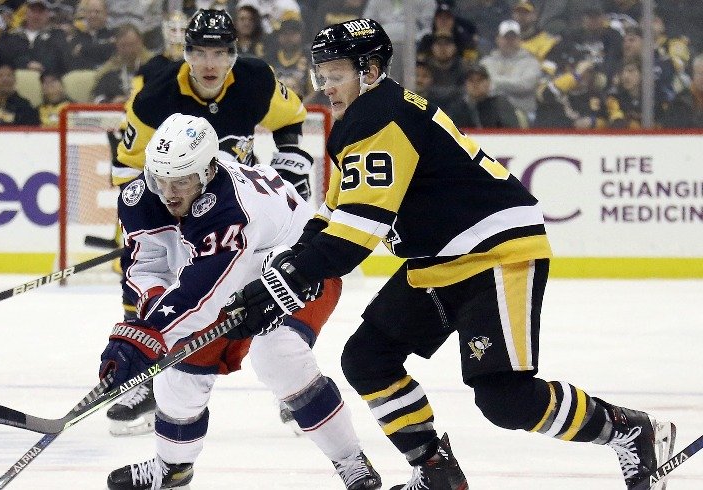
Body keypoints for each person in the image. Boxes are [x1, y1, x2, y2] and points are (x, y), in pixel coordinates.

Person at [224, 18, 678, 490]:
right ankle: (436, 472)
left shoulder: (384, 118)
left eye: (336, 74)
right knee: (367, 358)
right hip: (438, 261)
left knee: (505, 400)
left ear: (371, 70)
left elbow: (355, 238)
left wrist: (284, 283)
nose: (326, 86)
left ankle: (627, 430)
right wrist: (286, 268)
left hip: (493, 254)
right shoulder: (357, 121)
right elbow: (333, 216)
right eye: (322, 74)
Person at [101, 113, 381, 490]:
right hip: (231, 274)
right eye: (160, 179)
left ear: (207, 172)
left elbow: (207, 294)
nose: (168, 193)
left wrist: (148, 335)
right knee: (180, 370)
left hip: (299, 268)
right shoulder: (140, 196)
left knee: (278, 356)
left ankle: (351, 460)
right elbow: (147, 265)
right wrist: (144, 324)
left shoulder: (232, 209)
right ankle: (172, 468)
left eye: (181, 181)